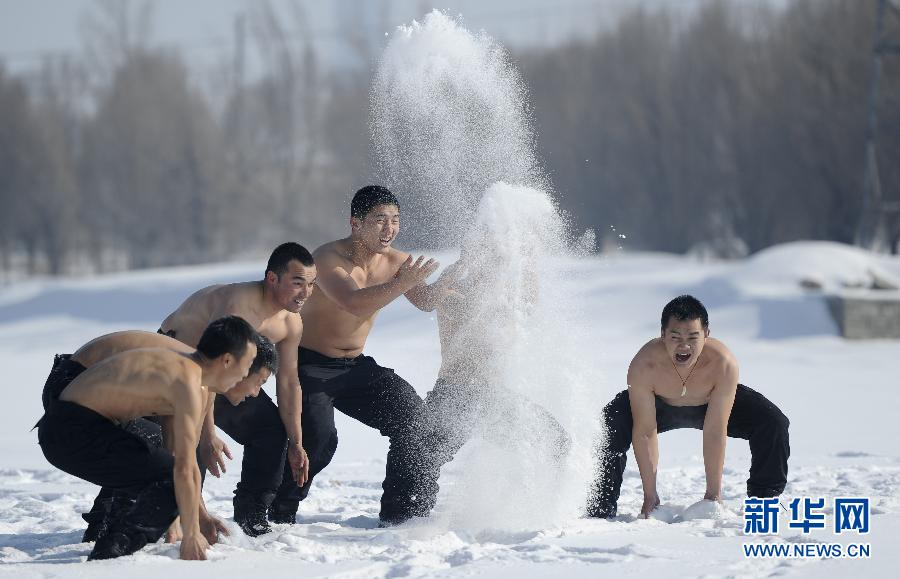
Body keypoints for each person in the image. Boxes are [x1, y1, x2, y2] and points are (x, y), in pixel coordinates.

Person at [268, 185, 441, 526]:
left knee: (416, 422)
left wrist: (450, 282)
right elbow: (354, 301)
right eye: (379, 220)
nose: (388, 229)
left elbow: (426, 301)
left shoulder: (397, 263)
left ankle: (402, 514)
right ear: (355, 223)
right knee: (319, 441)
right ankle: (276, 511)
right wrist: (403, 283)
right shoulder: (327, 259)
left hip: (355, 366)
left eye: (395, 220)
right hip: (308, 364)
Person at [37, 316, 258, 560]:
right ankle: (109, 555)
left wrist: (191, 521)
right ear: (226, 360)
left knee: (161, 469)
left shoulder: (188, 371)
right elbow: (182, 469)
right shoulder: (188, 382)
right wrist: (192, 535)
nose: (246, 373)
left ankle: (113, 539)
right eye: (248, 364)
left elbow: (179, 458)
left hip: (71, 427)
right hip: (71, 430)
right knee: (169, 477)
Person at [158, 242, 316, 536]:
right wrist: (209, 437)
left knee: (272, 431)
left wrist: (296, 442)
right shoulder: (239, 308)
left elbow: (289, 381)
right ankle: (176, 515)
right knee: (187, 441)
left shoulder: (291, 322)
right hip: (177, 369)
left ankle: (251, 513)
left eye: (311, 284)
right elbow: (207, 373)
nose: (306, 293)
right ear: (272, 279)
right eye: (298, 283)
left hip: (229, 380)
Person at [587, 295, 790, 519]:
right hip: (659, 404)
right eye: (675, 337)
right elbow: (645, 431)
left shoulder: (723, 363)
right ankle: (601, 507)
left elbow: (715, 430)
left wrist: (713, 494)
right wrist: (649, 495)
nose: (684, 345)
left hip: (709, 403)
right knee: (610, 425)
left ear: (706, 335)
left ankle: (764, 501)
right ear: (662, 335)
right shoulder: (644, 364)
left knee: (773, 422)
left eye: (693, 337)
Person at [413, 237, 571, 517]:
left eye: (499, 259)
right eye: (485, 258)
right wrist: (460, 265)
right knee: (423, 459)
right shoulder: (454, 293)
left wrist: (529, 262)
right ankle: (411, 516)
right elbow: (434, 300)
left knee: (557, 441)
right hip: (455, 394)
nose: (493, 265)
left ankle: (540, 511)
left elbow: (528, 305)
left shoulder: (507, 296)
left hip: (494, 398)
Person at [77, 332, 279, 543]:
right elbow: (176, 457)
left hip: (92, 394)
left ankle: (116, 524)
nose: (257, 393)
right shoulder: (191, 378)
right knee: (151, 446)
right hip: (73, 387)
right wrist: (182, 520)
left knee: (160, 450)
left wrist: (197, 516)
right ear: (241, 367)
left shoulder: (206, 380)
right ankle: (109, 528)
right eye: (260, 382)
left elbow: (184, 455)